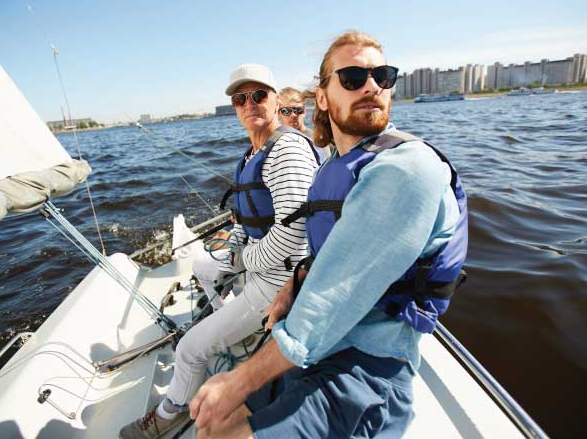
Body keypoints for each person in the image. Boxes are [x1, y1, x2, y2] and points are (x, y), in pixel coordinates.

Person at [188, 31, 468, 439]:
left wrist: (240, 381)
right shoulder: (337, 165)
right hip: (321, 350)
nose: (372, 85)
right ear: (322, 96)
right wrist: (295, 281)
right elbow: (334, 249)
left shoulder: (405, 170)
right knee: (215, 421)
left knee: (221, 426)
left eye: (383, 76)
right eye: (353, 77)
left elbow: (330, 301)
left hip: (366, 368)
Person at [119, 63, 321, 438]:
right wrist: (236, 252)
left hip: (278, 285)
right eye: (240, 98)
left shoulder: (287, 150)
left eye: (259, 95)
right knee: (204, 268)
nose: (250, 103)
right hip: (259, 270)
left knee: (190, 349)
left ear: (276, 100)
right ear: (234, 107)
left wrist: (241, 260)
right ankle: (229, 324)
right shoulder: (251, 154)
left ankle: (171, 413)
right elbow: (250, 221)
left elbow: (293, 233)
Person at [278, 87, 329, 159]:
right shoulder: (272, 140)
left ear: (304, 111)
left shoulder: (318, 140)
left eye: (298, 110)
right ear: (278, 114)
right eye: (286, 111)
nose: (293, 115)